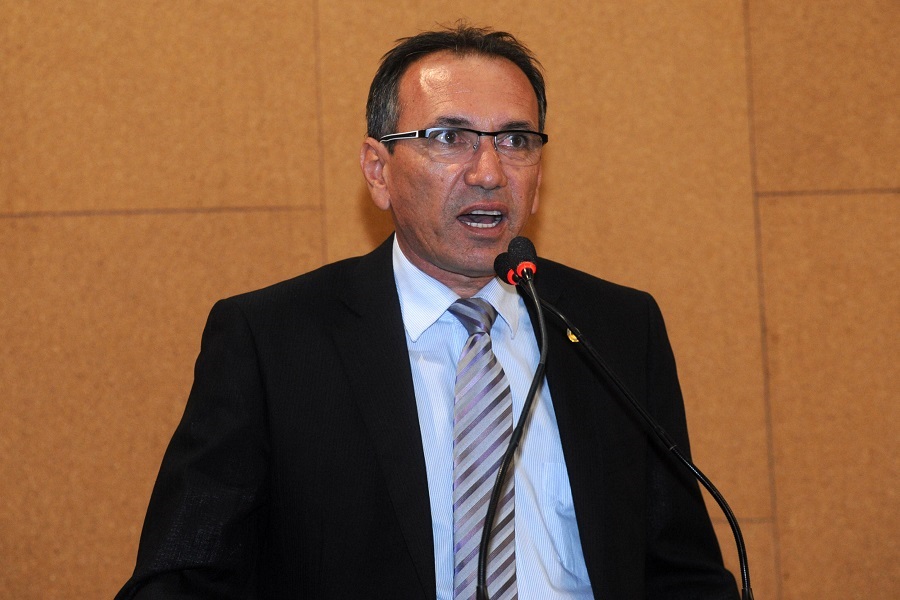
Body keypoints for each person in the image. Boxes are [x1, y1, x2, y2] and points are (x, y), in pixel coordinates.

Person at [116, 24, 739, 599]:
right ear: (378, 170)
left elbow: (683, 574)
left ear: (539, 175)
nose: (489, 173)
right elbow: (183, 578)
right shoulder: (272, 341)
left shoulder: (618, 328)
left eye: (515, 141)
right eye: (449, 138)